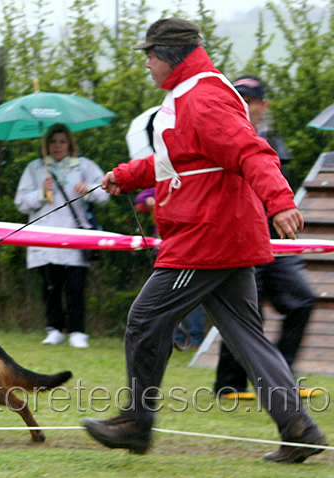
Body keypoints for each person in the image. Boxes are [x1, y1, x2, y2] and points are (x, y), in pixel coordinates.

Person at [83, 18, 327, 463]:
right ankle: (299, 428)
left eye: (150, 56)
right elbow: (180, 160)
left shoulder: (203, 96)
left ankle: (136, 422)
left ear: (169, 56)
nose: (147, 65)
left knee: (144, 319)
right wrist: (124, 174)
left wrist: (280, 200)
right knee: (247, 338)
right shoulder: (189, 95)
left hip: (206, 235)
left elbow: (250, 150)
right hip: (222, 232)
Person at [213, 75, 320, 399]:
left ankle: (281, 381)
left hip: (276, 240)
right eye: (238, 98)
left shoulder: (273, 141)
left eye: (249, 100)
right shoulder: (220, 135)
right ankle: (229, 385)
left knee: (303, 300)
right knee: (247, 311)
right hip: (239, 238)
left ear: (263, 105)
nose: (243, 105)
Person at [14, 123, 109, 349]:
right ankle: (54, 329)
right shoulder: (35, 168)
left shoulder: (83, 166)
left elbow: (104, 194)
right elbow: (20, 202)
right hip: (44, 236)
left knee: (75, 285)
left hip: (75, 235)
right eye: (53, 142)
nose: (58, 146)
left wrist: (89, 190)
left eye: (62, 141)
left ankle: (78, 331)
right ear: (46, 145)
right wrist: (41, 192)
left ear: (70, 144)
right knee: (50, 286)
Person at [134, 187, 206, 349]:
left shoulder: (193, 188)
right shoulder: (163, 185)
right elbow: (140, 200)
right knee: (166, 298)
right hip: (165, 253)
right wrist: (148, 200)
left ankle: (195, 339)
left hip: (190, 252)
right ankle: (175, 338)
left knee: (191, 298)